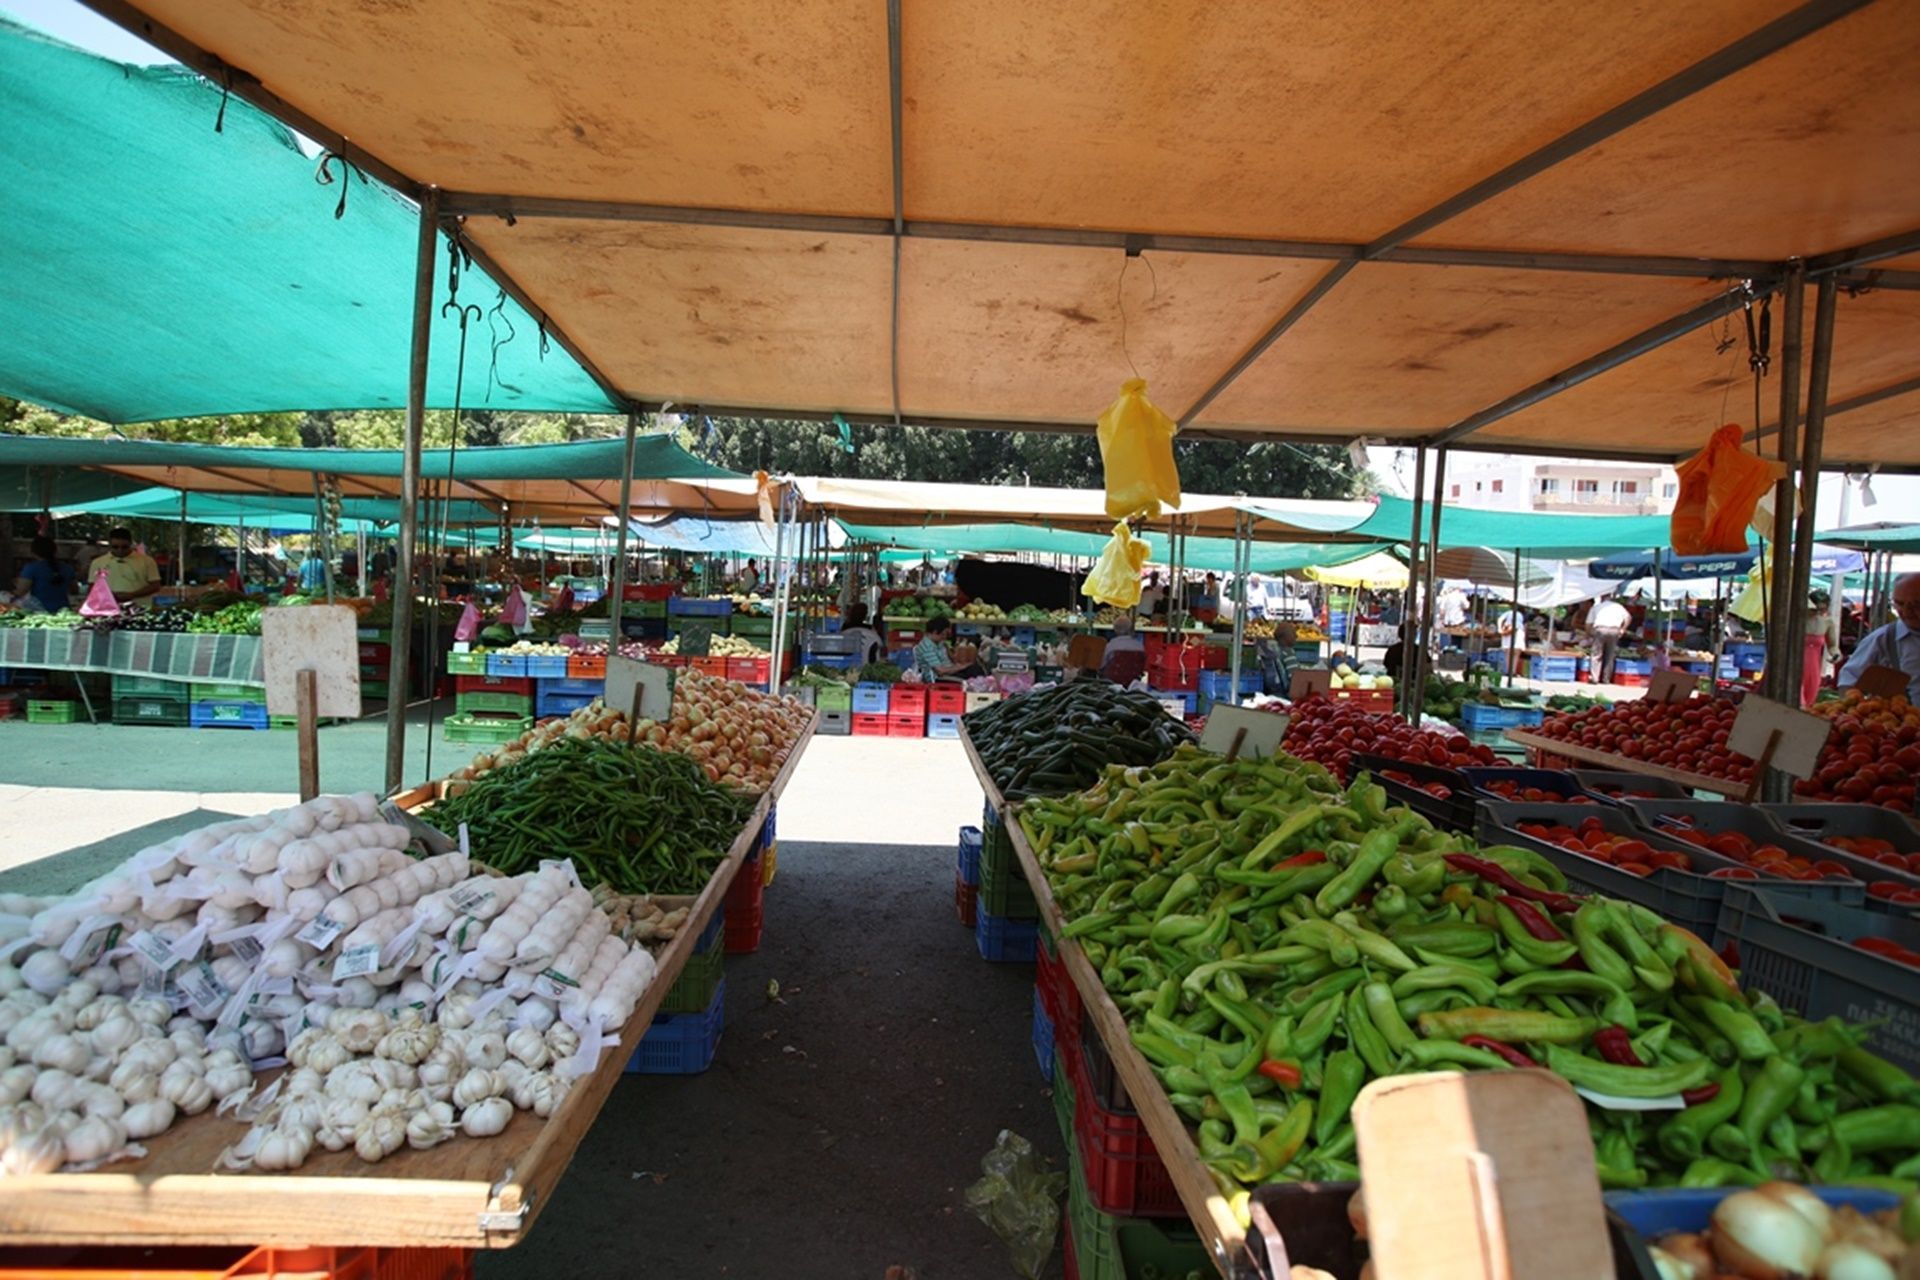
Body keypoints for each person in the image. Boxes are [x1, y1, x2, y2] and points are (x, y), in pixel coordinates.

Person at [1839, 573, 1920, 704]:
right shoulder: (1883, 639)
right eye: (1900, 603)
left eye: (1916, 604)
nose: (1906, 611)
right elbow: (1849, 679)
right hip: (1904, 722)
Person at [86, 528, 161, 602]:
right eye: (115, 547)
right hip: (108, 607)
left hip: (139, 607)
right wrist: (108, 596)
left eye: (124, 547)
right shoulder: (98, 562)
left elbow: (155, 586)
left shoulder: (147, 561)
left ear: (131, 544)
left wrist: (133, 595)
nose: (120, 550)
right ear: (109, 545)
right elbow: (92, 587)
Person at [13, 536, 73, 614]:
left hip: (39, 611)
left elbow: (21, 591)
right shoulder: (67, 568)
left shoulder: (31, 568)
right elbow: (74, 590)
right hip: (64, 611)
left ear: (33, 552)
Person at [1802, 590, 1840, 707]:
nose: (1818, 612)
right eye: (1815, 609)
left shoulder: (1827, 623)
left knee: (1810, 700)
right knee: (1799, 702)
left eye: (1822, 609)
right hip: (1796, 664)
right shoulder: (1798, 620)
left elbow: (1833, 646)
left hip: (1813, 667)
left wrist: (1835, 655)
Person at [913, 615, 982, 679]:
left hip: (951, 671)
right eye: (944, 634)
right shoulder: (926, 647)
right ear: (935, 632)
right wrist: (961, 667)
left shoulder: (938, 642)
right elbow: (940, 671)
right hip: (941, 678)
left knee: (975, 668)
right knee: (973, 672)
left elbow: (952, 658)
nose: (945, 637)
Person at [1586, 595, 1632, 685]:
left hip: (1600, 629)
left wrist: (1588, 633)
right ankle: (1606, 679)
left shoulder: (1596, 607)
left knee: (1596, 654)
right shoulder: (1619, 607)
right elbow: (1628, 617)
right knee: (1610, 655)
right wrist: (1623, 629)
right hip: (1614, 630)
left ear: (1602, 597)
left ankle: (1595, 678)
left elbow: (1588, 623)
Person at [1099, 614, 1147, 683]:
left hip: (1111, 682)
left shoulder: (1110, 646)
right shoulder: (1140, 646)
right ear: (1130, 629)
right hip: (1133, 682)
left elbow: (1101, 665)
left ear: (1115, 629)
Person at [838, 602, 884, 667]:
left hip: (846, 664)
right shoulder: (870, 629)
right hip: (869, 664)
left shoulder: (845, 628)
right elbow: (879, 644)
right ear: (865, 615)